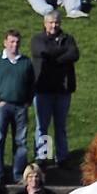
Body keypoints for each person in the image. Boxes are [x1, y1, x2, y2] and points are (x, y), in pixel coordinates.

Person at [31, 11, 80, 166]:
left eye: (57, 22)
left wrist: (54, 57)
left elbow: (74, 54)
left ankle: (62, 157)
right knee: (42, 126)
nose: (54, 25)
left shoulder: (68, 38)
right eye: (51, 22)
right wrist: (62, 54)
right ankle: (42, 156)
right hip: (43, 89)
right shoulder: (38, 39)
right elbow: (42, 52)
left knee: (61, 126)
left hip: (63, 89)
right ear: (45, 23)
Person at [0, 29, 35, 184]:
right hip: (3, 106)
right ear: (5, 42)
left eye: (17, 42)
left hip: (21, 107)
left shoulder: (26, 62)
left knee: (21, 142)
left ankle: (18, 174)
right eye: (11, 42)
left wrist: (28, 100)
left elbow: (31, 83)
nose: (14, 45)